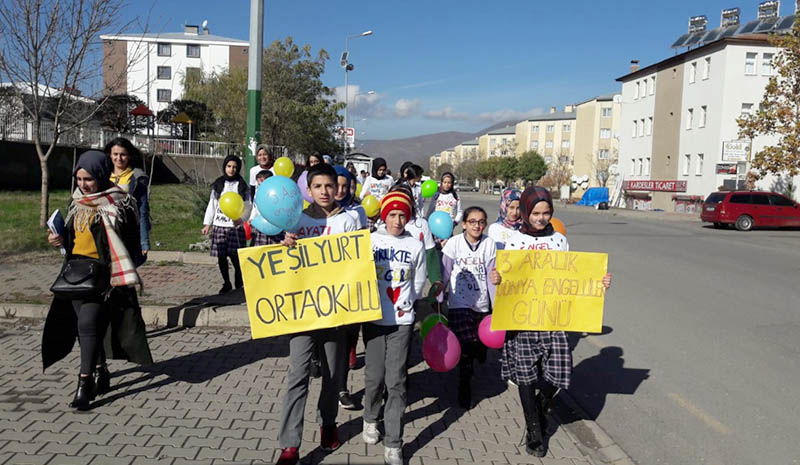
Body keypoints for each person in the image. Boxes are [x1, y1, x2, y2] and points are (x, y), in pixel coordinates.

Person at [489, 186, 612, 457]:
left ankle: (541, 405)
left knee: (557, 374)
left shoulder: (559, 240)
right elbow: (506, 277)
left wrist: (598, 281)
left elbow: (571, 275)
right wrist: (498, 279)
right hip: (522, 319)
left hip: (552, 318)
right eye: (535, 213)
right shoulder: (515, 240)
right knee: (525, 376)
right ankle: (534, 428)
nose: (541, 218)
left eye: (545, 213)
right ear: (524, 212)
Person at [43, 150, 152, 410]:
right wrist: (58, 240)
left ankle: (83, 385)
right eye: (79, 179)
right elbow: (71, 242)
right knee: (86, 327)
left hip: (105, 274)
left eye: (89, 179)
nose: (83, 185)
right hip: (76, 275)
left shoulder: (119, 202)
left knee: (90, 323)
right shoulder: (75, 202)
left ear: (102, 176)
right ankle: (101, 369)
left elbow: (129, 242)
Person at [275, 163, 359, 465]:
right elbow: (283, 264)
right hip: (301, 311)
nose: (325, 192)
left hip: (336, 310)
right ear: (308, 190)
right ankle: (290, 444)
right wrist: (285, 244)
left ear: (337, 188)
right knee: (298, 375)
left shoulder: (348, 221)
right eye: (318, 187)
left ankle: (328, 423)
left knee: (333, 375)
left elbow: (355, 266)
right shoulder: (296, 220)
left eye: (329, 186)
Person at [362, 190, 426, 465]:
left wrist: (407, 304)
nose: (398, 220)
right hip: (374, 319)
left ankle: (394, 443)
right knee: (375, 377)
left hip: (402, 321)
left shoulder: (415, 245)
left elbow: (420, 282)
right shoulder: (370, 241)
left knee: (396, 379)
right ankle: (370, 417)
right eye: (393, 214)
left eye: (403, 215)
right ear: (384, 216)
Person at [441, 206, 497, 409]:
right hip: (459, 303)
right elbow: (445, 272)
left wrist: (494, 305)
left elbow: (492, 277)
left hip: (481, 304)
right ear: (464, 224)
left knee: (478, 343)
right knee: (465, 347)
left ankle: (479, 350)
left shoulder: (489, 244)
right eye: (472, 221)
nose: (477, 226)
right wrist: (439, 294)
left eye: (481, 222)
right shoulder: (454, 244)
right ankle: (464, 386)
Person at [332, 165, 367, 410]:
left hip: (348, 285)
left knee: (345, 339)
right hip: (320, 289)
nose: (342, 190)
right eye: (337, 185)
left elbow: (362, 246)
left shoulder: (357, 213)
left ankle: (341, 388)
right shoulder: (312, 214)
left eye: (347, 186)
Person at [201, 155, 252, 294]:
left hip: (235, 227)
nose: (231, 169)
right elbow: (212, 205)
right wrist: (207, 224)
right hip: (220, 225)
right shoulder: (218, 184)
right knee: (221, 256)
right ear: (225, 167)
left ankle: (239, 279)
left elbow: (248, 206)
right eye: (229, 166)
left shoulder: (242, 186)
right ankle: (226, 282)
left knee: (235, 256)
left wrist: (241, 219)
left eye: (235, 167)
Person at [105, 137, 151, 259]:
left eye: (123, 154)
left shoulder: (137, 178)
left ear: (129, 156)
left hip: (127, 231)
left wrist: (144, 241)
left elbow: (143, 211)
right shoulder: (102, 175)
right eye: (115, 154)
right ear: (109, 155)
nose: (119, 158)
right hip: (105, 231)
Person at [249, 170, 283, 247]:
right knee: (258, 246)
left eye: (263, 183)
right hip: (260, 224)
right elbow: (255, 207)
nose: (261, 186)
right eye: (259, 184)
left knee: (274, 246)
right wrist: (251, 218)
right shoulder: (258, 193)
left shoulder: (275, 193)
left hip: (274, 225)